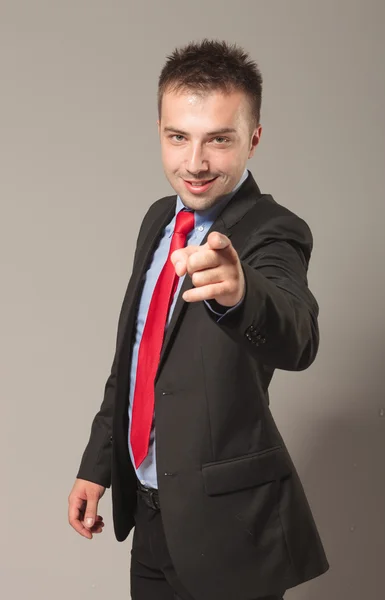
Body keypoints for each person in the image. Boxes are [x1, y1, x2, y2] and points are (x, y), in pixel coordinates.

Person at [68, 39, 329, 600]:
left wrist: (241, 294)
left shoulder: (274, 231)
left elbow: (297, 333)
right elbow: (135, 359)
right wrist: (98, 465)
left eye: (219, 139)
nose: (195, 162)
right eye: (178, 137)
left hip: (229, 530)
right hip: (150, 513)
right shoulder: (159, 219)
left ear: (253, 139)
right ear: (159, 130)